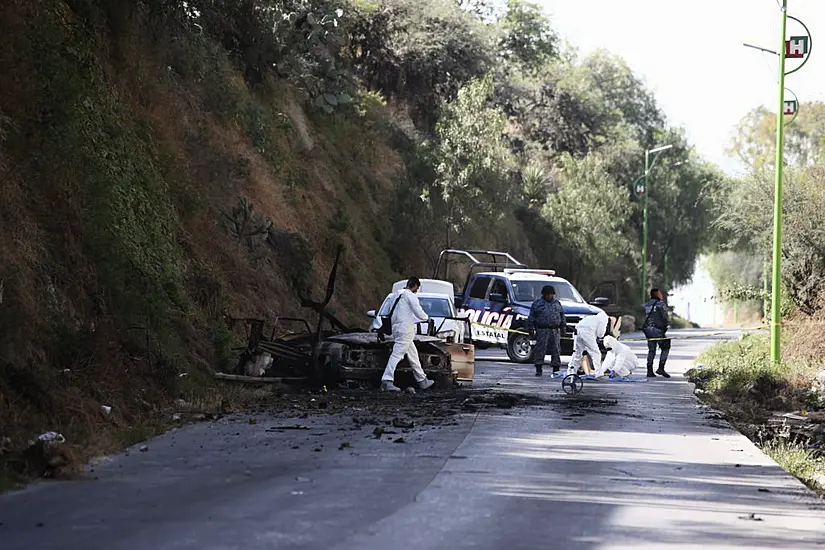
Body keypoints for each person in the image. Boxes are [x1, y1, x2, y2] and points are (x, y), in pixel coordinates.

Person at [380, 277, 436, 392]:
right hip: (405, 330)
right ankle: (386, 380)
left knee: (413, 355)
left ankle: (422, 380)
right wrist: (427, 318)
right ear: (415, 286)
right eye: (417, 288)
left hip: (396, 328)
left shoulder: (396, 294)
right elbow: (419, 312)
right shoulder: (410, 295)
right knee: (397, 355)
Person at [527, 285, 566, 376]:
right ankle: (538, 368)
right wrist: (531, 329)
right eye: (547, 294)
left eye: (551, 294)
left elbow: (562, 316)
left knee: (556, 349)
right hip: (542, 329)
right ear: (544, 295)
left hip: (555, 330)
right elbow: (531, 318)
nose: (549, 296)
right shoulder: (537, 304)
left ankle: (556, 369)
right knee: (540, 349)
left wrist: (563, 328)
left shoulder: (557, 303)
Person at [568, 309, 609, 378]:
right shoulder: (603, 319)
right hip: (587, 333)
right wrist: (598, 337)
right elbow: (600, 333)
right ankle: (598, 373)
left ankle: (571, 372)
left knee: (577, 353)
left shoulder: (592, 318)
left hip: (576, 331)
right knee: (596, 353)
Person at [643, 288, 671, 378]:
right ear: (657, 294)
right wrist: (666, 325)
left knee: (652, 350)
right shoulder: (660, 304)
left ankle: (649, 370)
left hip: (648, 329)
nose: (661, 295)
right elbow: (665, 317)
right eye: (659, 293)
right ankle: (661, 368)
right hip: (657, 330)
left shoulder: (647, 304)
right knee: (666, 347)